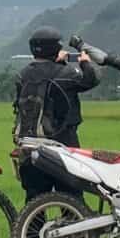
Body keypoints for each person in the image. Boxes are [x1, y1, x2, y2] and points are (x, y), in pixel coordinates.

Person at [10, 25, 100, 201]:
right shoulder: (66, 73)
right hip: (64, 145)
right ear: (55, 48)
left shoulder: (22, 75)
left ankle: (30, 229)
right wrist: (84, 61)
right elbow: (92, 79)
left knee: (34, 201)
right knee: (71, 198)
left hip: (30, 146)